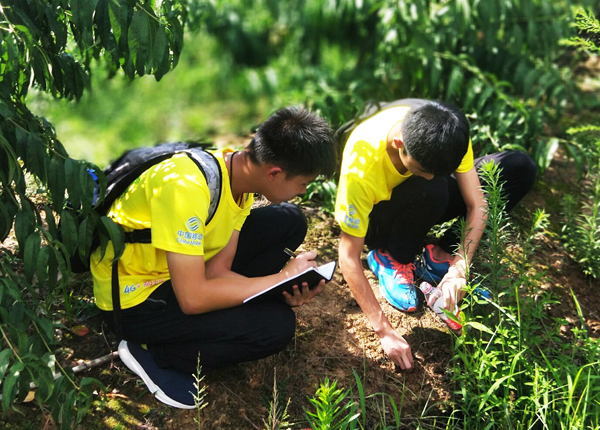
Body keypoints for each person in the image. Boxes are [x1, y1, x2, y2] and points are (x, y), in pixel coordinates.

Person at [90, 107, 337, 408]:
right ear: (274, 173)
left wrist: (278, 288)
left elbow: (218, 271)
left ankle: (235, 314)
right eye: (303, 183)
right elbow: (193, 298)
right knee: (276, 327)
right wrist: (280, 278)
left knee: (289, 220)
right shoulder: (187, 186)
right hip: (136, 299)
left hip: (182, 273)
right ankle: (154, 353)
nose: (303, 191)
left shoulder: (238, 179)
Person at [334, 99, 536, 370]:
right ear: (399, 143)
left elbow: (477, 204)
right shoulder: (361, 165)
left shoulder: (448, 133)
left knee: (518, 167)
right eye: (423, 169)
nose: (429, 175)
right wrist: (384, 331)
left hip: (426, 195)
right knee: (433, 187)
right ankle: (391, 256)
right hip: (378, 217)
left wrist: (460, 267)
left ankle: (438, 258)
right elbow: (348, 256)